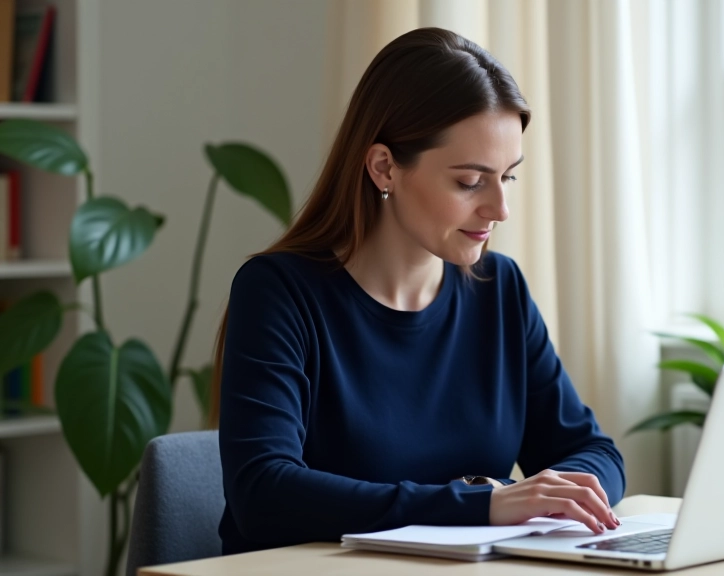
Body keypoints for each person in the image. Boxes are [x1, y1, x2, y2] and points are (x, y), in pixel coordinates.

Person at [211, 27, 626, 556]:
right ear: (384, 167)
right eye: (470, 181)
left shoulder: (499, 290)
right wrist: (478, 504)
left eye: (508, 178)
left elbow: (596, 454)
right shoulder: (279, 292)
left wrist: (535, 495)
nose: (499, 209)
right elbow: (263, 493)